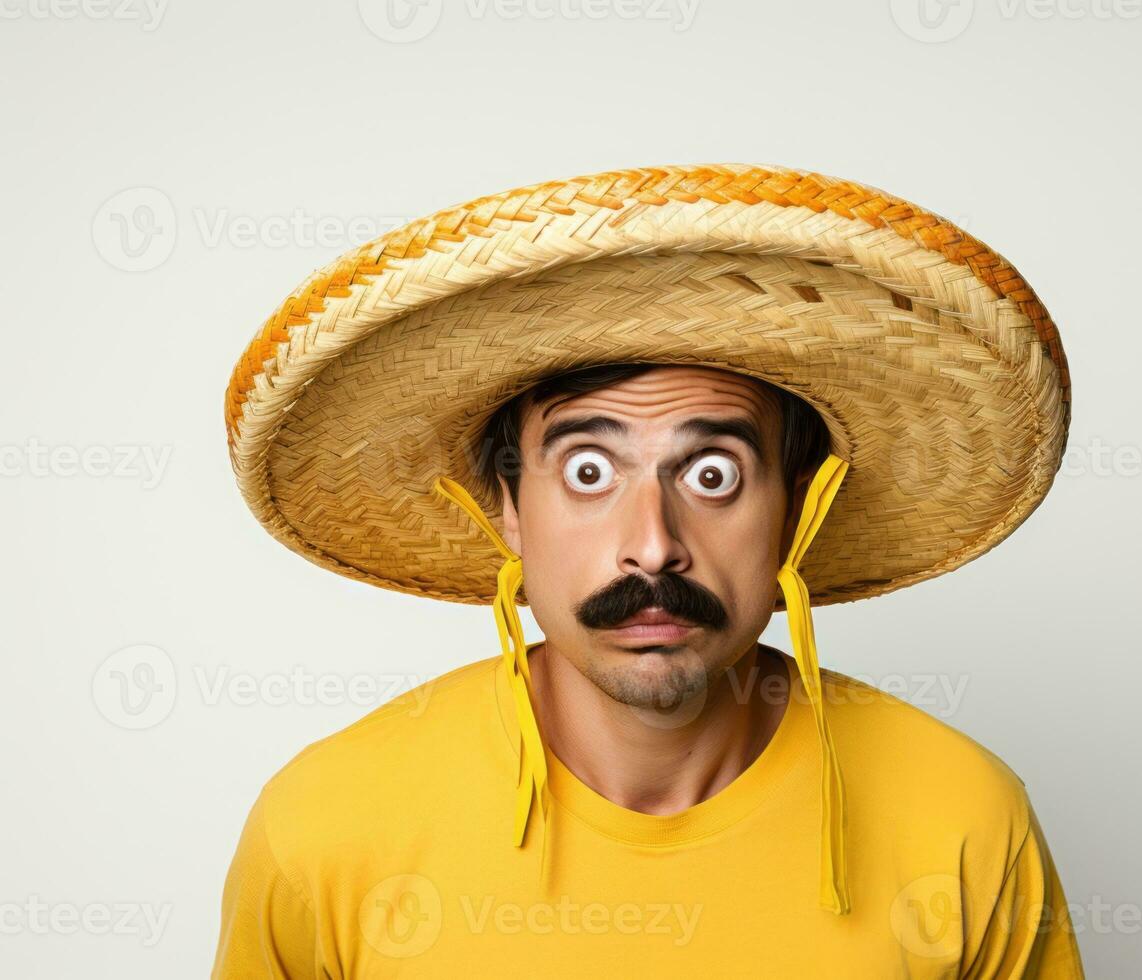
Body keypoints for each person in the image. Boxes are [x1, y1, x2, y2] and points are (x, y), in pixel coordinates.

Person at [213, 164, 1086, 977]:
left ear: (793, 512)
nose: (653, 545)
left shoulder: (965, 818)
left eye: (714, 475)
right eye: (588, 471)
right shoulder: (324, 829)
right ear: (509, 513)